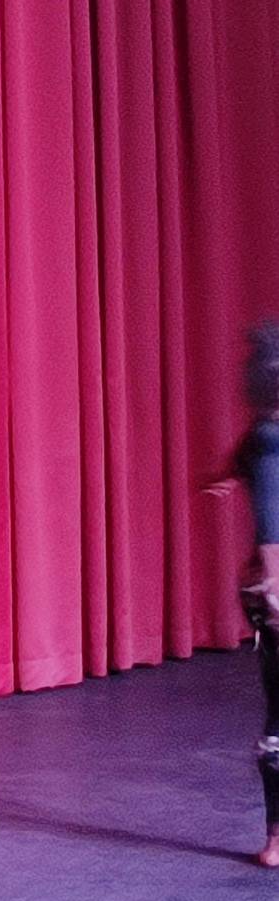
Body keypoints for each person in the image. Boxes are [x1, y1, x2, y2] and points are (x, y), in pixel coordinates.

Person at [205, 320, 279, 867]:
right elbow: (271, 521)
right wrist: (274, 586)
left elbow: (238, 465)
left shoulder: (260, 434)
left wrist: (225, 479)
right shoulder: (272, 440)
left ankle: (277, 837)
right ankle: (277, 838)